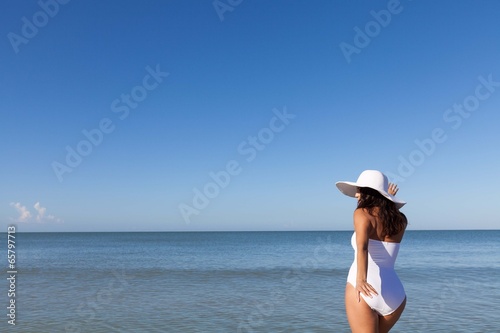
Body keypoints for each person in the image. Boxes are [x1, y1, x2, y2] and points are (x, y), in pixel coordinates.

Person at [336, 170, 408, 333]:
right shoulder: (400, 220)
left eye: (359, 190)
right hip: (395, 295)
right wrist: (389, 198)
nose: (356, 195)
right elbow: (386, 214)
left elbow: (363, 247)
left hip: (364, 290)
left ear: (368, 192)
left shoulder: (362, 214)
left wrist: (360, 280)